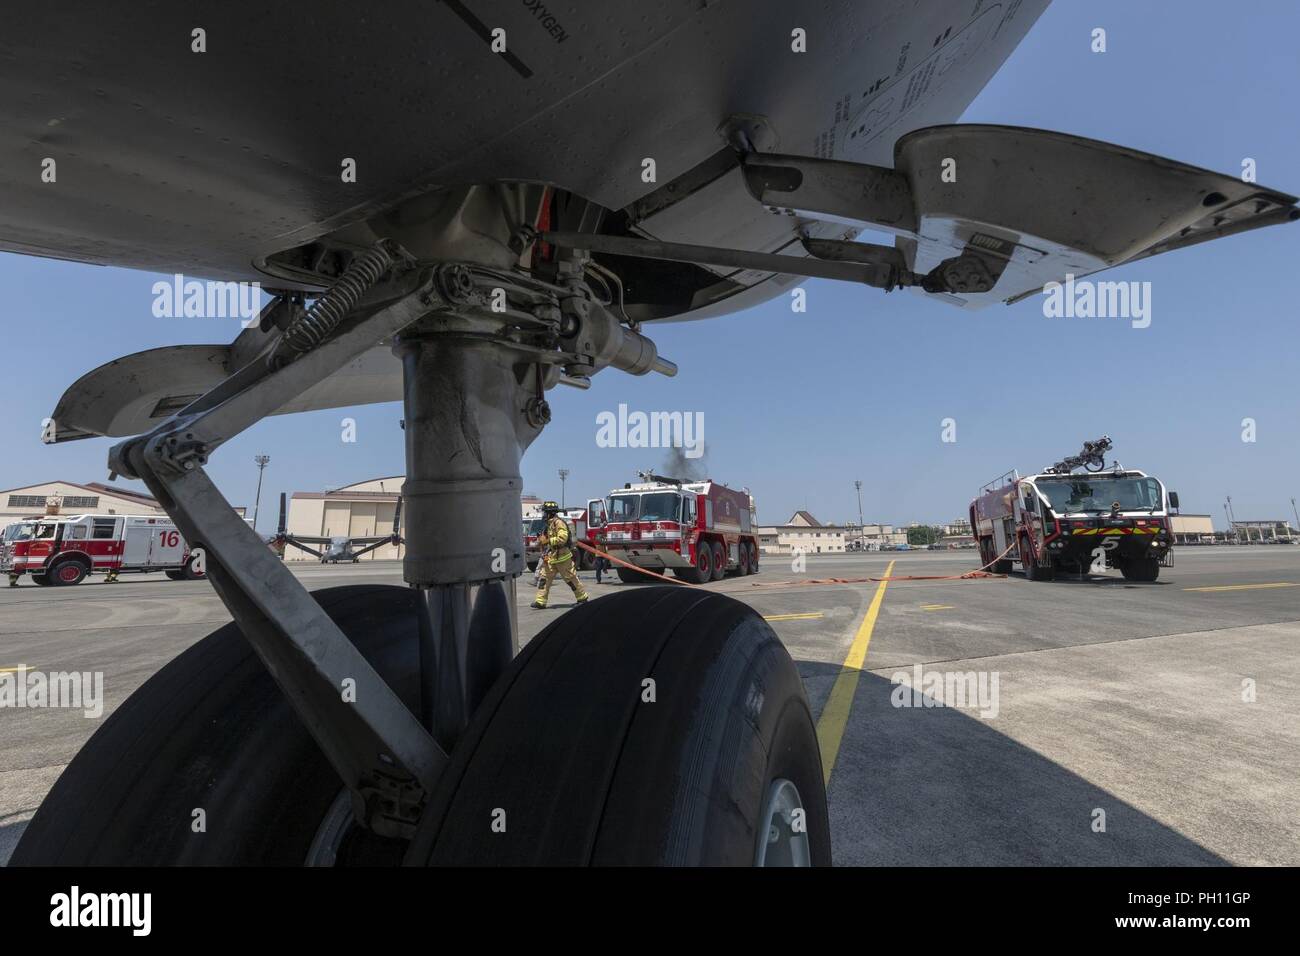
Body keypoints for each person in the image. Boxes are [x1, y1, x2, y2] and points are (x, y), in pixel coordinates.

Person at [530, 502, 589, 609]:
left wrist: (547, 540)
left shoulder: (559, 523)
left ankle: (582, 598)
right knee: (544, 579)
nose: (543, 515)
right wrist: (541, 541)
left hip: (563, 557)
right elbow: (546, 540)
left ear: (550, 513)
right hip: (552, 557)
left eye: (545, 512)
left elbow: (563, 538)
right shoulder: (549, 524)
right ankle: (540, 601)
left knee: (570, 579)